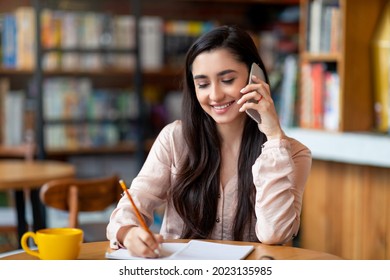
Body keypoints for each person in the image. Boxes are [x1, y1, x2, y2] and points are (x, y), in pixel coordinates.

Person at [106, 25, 312, 258]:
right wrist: (129, 234)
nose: (215, 95)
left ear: (256, 77)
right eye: (203, 84)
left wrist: (274, 137)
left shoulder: (293, 154)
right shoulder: (174, 139)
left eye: (227, 80)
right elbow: (129, 211)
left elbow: (275, 234)